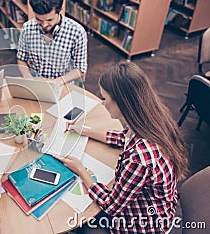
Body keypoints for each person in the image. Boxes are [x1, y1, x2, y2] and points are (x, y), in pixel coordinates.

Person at [60, 62, 188, 233]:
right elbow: (123, 138)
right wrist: (84, 130)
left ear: (122, 103)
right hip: (157, 207)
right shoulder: (150, 121)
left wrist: (81, 171)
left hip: (143, 224)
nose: (102, 104)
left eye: (105, 99)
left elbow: (112, 206)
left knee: (77, 220)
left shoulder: (139, 158)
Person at [17, 0, 87, 86]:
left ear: (60, 10)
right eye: (39, 20)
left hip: (63, 85)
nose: (44, 25)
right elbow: (21, 59)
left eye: (49, 20)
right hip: (37, 84)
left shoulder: (77, 32)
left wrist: (57, 82)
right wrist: (28, 78)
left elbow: (81, 68)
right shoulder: (27, 28)